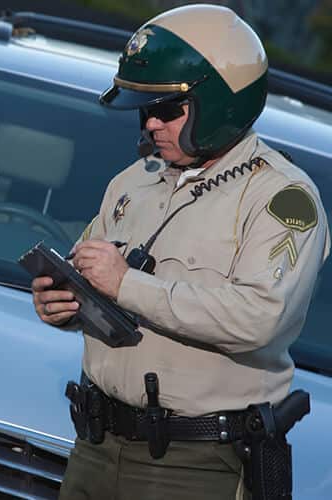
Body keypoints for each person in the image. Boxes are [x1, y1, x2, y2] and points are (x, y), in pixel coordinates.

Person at [31, 4, 330, 499]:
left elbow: (259, 317)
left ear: (220, 102)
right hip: (95, 445)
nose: (150, 124)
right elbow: (90, 277)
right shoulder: (131, 183)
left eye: (166, 109)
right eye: (145, 109)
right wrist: (61, 303)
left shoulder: (281, 199)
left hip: (195, 465)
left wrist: (126, 284)